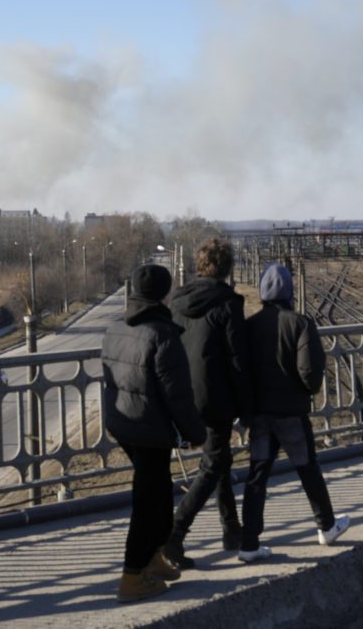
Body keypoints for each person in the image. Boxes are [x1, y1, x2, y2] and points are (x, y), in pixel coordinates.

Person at [102, 264, 206, 603]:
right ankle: (133, 576)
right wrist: (195, 432)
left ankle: (154, 559)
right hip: (149, 428)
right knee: (149, 500)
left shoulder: (115, 327)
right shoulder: (162, 334)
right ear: (165, 293)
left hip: (124, 424)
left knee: (159, 490)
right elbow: (178, 394)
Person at [239, 263, 350, 562]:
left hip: (260, 414)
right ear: (289, 291)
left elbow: (243, 370)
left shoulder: (249, 326)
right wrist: (306, 391)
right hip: (290, 413)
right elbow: (309, 372)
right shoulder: (300, 324)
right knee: (307, 468)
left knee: (257, 474)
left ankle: (248, 543)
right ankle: (326, 526)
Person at [162, 237, 252, 569]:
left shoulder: (177, 301)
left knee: (219, 460)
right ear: (228, 269)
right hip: (214, 397)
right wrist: (247, 407)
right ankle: (173, 535)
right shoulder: (228, 304)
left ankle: (231, 530)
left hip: (180, 394)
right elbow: (238, 361)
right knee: (213, 464)